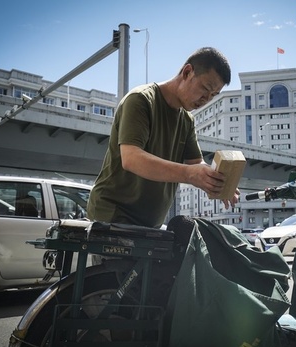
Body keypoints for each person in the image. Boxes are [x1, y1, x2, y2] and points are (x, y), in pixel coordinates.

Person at [87, 47, 239, 229]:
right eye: (205, 89)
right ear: (187, 72)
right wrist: (190, 174)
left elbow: (196, 164)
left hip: (151, 223)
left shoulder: (186, 120)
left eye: (213, 95)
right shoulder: (140, 100)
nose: (206, 99)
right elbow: (131, 159)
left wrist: (219, 180)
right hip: (114, 216)